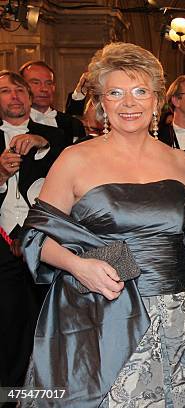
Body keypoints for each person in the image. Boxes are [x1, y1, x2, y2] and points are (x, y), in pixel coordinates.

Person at [19, 42, 185, 407]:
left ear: (156, 100)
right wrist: (78, 265)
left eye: (139, 92)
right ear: (101, 103)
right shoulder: (75, 159)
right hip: (104, 313)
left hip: (182, 316)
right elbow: (36, 235)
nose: (128, 103)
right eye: (115, 93)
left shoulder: (179, 161)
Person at [0, 70, 63, 389]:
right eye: (5, 91)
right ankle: (11, 390)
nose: (15, 96)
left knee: (49, 319)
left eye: (20, 90)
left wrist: (42, 140)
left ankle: (49, 386)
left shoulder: (55, 132)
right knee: (9, 323)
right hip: (2, 245)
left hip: (47, 242)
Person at [19, 61, 86, 147]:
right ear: (21, 87)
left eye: (49, 83)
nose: (44, 89)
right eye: (36, 83)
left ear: (54, 87)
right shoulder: (12, 124)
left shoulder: (73, 124)